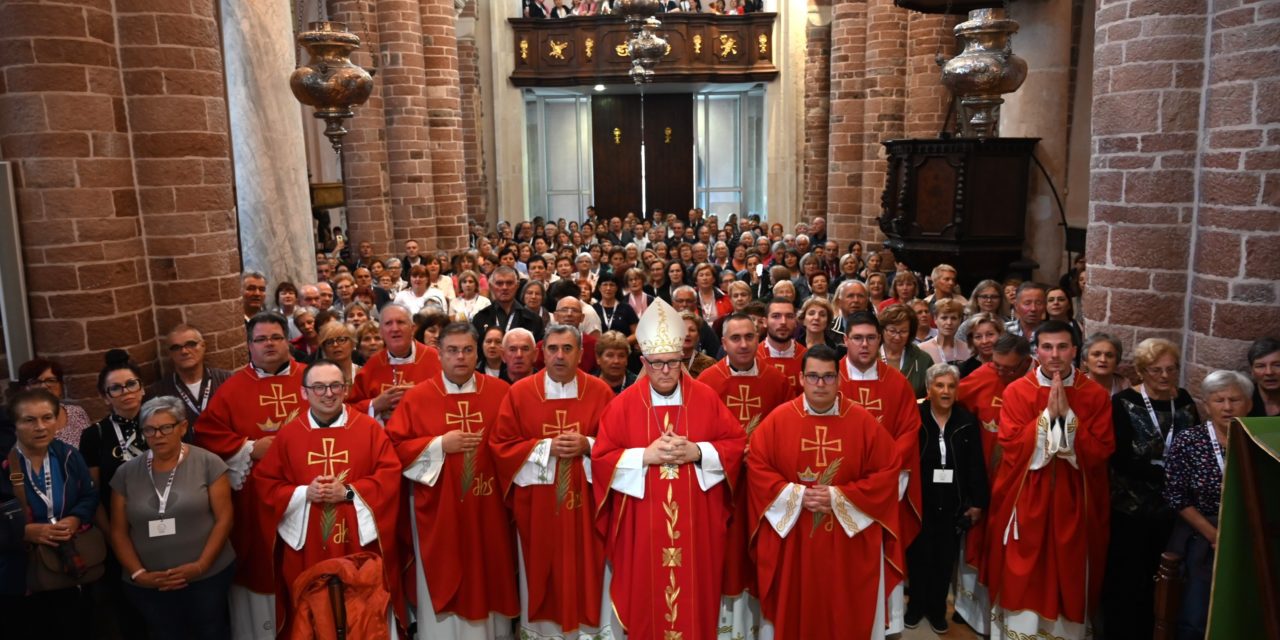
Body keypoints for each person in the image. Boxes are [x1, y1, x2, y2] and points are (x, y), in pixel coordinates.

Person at [591, 298, 746, 639]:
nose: (665, 371)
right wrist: (643, 457)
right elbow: (601, 460)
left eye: (673, 363)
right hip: (641, 525)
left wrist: (698, 451)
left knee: (695, 600)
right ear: (643, 361)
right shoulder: (622, 407)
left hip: (697, 527)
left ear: (683, 359)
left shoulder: (705, 398)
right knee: (646, 599)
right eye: (657, 364)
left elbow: (735, 446)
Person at [747, 345, 901, 638]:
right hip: (795, 539)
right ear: (801, 378)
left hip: (846, 542)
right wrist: (796, 495)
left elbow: (887, 470)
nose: (820, 384)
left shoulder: (862, 421)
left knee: (842, 607)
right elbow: (757, 466)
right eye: (814, 377)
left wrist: (838, 497)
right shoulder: (779, 420)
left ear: (839, 378)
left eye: (828, 377)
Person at [385, 323, 520, 638]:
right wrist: (438, 446)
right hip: (439, 512)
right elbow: (393, 449)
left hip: (490, 511)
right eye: (452, 350)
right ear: (440, 355)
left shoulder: (501, 393)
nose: (460, 357)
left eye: (467, 350)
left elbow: (515, 444)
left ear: (478, 353)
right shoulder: (418, 398)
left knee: (490, 575)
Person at [983, 320, 1114, 640]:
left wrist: (1066, 422)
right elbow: (1011, 446)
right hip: (1028, 496)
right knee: (1022, 570)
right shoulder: (1017, 391)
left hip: (1073, 498)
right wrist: (1050, 420)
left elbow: (1101, 451)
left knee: (1068, 569)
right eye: (1047, 347)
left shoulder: (1095, 394)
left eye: (1062, 347)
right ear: (1035, 351)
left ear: (1074, 350)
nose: (1054, 355)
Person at [256, 360, 403, 636]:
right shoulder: (289, 435)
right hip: (308, 547)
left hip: (359, 546)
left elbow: (390, 477)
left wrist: (347, 492)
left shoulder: (369, 429)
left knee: (363, 618)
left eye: (335, 385)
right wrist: (302, 493)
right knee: (314, 619)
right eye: (319, 387)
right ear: (304, 392)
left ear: (345, 389)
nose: (328, 393)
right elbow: (266, 485)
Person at [490, 324, 616, 639]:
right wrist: (546, 447)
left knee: (588, 572)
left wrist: (588, 445)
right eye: (553, 349)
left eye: (567, 349)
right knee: (541, 576)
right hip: (538, 512)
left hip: (587, 510)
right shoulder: (519, 393)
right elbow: (501, 447)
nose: (559, 356)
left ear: (582, 354)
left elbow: (619, 446)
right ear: (541, 353)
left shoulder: (600, 391)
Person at [194, 312, 309, 637]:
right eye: (260, 339)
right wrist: (247, 447)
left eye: (275, 337)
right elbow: (206, 431)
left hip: (306, 493)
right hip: (256, 501)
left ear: (287, 341)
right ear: (249, 346)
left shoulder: (311, 379)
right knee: (262, 566)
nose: (269, 344)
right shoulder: (233, 388)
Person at [107, 396, 235, 640]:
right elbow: (118, 531)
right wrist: (139, 575)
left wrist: (200, 566)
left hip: (206, 578)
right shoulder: (126, 473)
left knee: (211, 632)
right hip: (149, 585)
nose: (158, 435)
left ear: (183, 427)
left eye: (166, 427)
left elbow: (225, 519)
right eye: (150, 429)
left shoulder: (208, 463)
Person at [696, 312, 790, 637]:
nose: (744, 344)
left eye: (749, 337)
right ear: (723, 343)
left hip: (764, 487)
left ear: (758, 338)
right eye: (735, 338)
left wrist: (763, 455)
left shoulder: (777, 381)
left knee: (760, 551)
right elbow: (699, 435)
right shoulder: (706, 382)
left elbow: (787, 431)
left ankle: (760, 625)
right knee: (726, 553)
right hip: (723, 484)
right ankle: (724, 627)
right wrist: (735, 454)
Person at [1103, 338, 1201, 639]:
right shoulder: (1123, 403)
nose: (1164, 376)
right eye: (1156, 370)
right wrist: (1167, 475)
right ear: (1142, 371)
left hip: (1171, 509)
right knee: (1129, 576)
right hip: (1130, 506)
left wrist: (1176, 478)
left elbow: (1195, 445)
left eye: (1171, 369)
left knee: (1165, 577)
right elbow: (1119, 457)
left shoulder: (1183, 401)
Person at [837, 311, 921, 634]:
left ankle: (883, 625)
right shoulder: (830, 378)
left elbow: (909, 431)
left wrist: (881, 476)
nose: (864, 345)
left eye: (871, 338)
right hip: (841, 489)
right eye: (857, 338)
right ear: (845, 340)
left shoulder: (896, 383)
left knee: (881, 556)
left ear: (880, 340)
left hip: (883, 491)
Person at [0, 389, 100, 637]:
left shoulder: (69, 456)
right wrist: (23, 532)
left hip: (66, 563)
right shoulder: (3, 465)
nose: (40, 426)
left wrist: (75, 518)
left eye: (47, 417)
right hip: (20, 572)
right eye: (29, 420)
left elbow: (89, 495)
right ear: (14, 424)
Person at [952, 332, 1031, 635]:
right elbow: (951, 402)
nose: (1000, 373)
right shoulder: (984, 376)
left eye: (1008, 369)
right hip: (983, 477)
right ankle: (969, 609)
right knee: (976, 542)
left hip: (1020, 483)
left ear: (1025, 362)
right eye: (995, 365)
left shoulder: (1034, 385)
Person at [1164, 370, 1252, 640]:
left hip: (1250, 532)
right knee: (1196, 613)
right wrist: (1215, 536)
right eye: (1219, 400)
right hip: (1203, 532)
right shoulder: (1189, 441)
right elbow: (1176, 496)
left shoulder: (1257, 440)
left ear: (1249, 404)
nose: (1227, 407)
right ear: (1206, 404)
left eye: (1235, 400)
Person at [905, 364, 988, 634]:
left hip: (953, 501)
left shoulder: (965, 421)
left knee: (944, 559)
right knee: (919, 556)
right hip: (920, 500)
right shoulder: (915, 417)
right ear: (929, 389)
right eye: (940, 385)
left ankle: (937, 609)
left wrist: (977, 502)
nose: (945, 391)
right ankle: (916, 606)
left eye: (951, 386)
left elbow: (976, 464)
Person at [348, 303, 442, 423]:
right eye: (388, 324)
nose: (395, 329)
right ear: (381, 332)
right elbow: (351, 410)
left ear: (412, 329)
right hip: (383, 437)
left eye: (400, 322)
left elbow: (451, 400)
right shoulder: (372, 366)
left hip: (425, 435)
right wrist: (375, 404)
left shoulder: (436, 360)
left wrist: (420, 396)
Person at [147, 325, 232, 429]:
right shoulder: (159, 392)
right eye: (176, 347)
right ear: (169, 353)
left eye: (191, 344)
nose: (184, 351)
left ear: (203, 346)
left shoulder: (227, 380)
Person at [14, 358, 92, 449]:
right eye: (35, 382)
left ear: (60, 385)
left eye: (51, 380)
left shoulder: (77, 413)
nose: (44, 386)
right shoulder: (20, 422)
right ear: (24, 389)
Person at [473, 266, 546, 341]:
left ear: (517, 286)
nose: (504, 287)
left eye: (509, 283)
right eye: (499, 283)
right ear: (491, 287)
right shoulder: (480, 318)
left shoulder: (533, 320)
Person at [877, 303, 933, 398]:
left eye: (903, 331)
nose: (897, 337)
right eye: (892, 331)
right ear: (882, 330)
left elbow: (931, 394)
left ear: (910, 332)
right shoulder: (869, 357)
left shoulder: (923, 359)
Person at [757, 299, 807, 396]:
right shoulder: (753, 357)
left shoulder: (807, 357)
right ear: (764, 322)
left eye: (789, 316)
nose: (783, 322)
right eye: (776, 316)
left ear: (796, 321)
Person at [918, 299, 971, 367]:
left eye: (954, 318)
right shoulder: (922, 350)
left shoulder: (968, 350)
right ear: (935, 319)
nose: (949, 323)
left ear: (960, 321)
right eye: (944, 318)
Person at [955, 311, 1005, 379]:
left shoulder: (1010, 366)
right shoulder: (964, 370)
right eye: (978, 337)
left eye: (990, 334)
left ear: (1000, 334)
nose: (984, 341)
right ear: (971, 340)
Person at [1247, 337, 1280, 417]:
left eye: (1277, 365)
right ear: (1252, 371)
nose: (1269, 372)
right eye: (1260, 366)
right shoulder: (1244, 400)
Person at [680, 312, 718, 378]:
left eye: (692, 330)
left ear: (698, 336)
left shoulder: (709, 364)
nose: (687, 334)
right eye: (682, 330)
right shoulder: (665, 362)